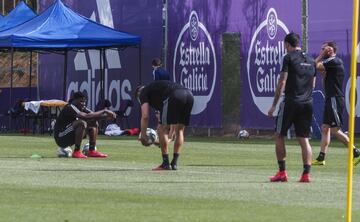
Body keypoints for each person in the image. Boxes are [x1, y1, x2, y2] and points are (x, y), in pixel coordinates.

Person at [267, 32, 316, 183]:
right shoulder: (311, 59)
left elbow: (282, 82)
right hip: (307, 103)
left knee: (279, 135)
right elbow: (313, 85)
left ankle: (282, 173)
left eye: (285, 46)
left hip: (291, 102)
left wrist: (274, 105)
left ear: (287, 45)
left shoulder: (288, 58)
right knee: (304, 139)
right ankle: (306, 174)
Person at [312, 41, 360, 166]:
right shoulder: (330, 64)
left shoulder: (334, 61)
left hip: (335, 99)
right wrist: (324, 74)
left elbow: (315, 65)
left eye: (324, 48)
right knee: (325, 128)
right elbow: (324, 79)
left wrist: (322, 54)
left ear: (331, 50)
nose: (322, 50)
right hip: (330, 98)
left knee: (335, 130)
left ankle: (356, 152)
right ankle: (321, 157)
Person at [135, 80, 194, 170]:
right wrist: (169, 137)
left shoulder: (143, 92)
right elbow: (172, 121)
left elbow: (145, 116)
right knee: (180, 130)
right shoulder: (156, 91)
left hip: (174, 95)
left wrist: (143, 136)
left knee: (161, 129)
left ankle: (165, 163)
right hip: (189, 95)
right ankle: (174, 163)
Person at [54, 91, 116, 158]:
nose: (83, 104)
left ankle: (92, 151)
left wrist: (107, 116)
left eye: (84, 102)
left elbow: (93, 115)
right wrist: (104, 111)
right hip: (61, 137)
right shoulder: (70, 107)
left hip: (69, 135)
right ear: (75, 100)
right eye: (81, 101)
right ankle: (77, 151)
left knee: (93, 122)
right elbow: (86, 116)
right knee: (81, 123)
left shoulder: (81, 107)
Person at [151, 57, 175, 142]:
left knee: (159, 114)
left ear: (153, 66)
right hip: (170, 92)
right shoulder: (166, 71)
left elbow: (156, 83)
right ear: (161, 64)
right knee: (170, 114)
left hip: (162, 94)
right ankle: (171, 134)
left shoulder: (156, 71)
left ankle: (160, 134)